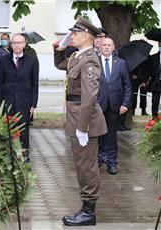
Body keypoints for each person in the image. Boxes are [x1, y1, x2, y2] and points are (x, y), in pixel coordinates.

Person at [54, 17, 107, 226]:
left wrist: (83, 128)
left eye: (74, 33)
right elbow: (60, 64)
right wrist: (60, 48)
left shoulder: (90, 60)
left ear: (86, 36)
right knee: (81, 164)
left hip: (85, 121)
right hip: (76, 117)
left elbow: (89, 98)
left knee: (87, 166)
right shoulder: (78, 56)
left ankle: (88, 212)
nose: (71, 36)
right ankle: (85, 208)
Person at [0, 33, 39, 161]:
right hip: (8, 100)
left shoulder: (32, 60)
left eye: (19, 43)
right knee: (8, 129)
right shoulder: (4, 60)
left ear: (25, 44)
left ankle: (24, 156)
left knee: (23, 130)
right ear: (11, 44)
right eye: (14, 43)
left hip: (25, 101)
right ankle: (8, 155)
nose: (17, 45)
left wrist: (34, 103)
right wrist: (0, 103)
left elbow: (34, 83)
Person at [97, 38, 132, 174]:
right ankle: (98, 160)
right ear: (100, 47)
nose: (106, 47)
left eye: (109, 45)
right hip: (98, 106)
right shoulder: (94, 63)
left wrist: (125, 104)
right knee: (98, 135)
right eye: (104, 45)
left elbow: (127, 86)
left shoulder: (121, 64)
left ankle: (111, 162)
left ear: (113, 47)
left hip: (115, 105)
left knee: (111, 135)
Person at [148, 41, 161, 118]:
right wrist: (144, 80)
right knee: (155, 102)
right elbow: (149, 71)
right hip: (156, 83)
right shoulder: (153, 57)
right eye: (160, 42)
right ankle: (154, 120)